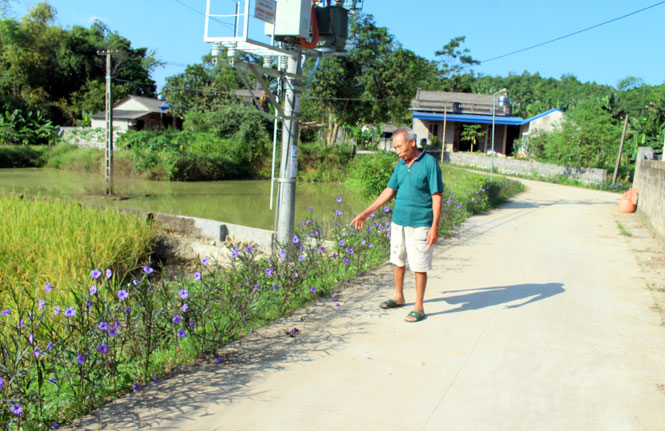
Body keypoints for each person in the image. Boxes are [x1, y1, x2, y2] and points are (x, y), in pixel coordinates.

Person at [350, 126, 443, 322]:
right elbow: (389, 191)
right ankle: (399, 296)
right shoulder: (400, 165)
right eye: (395, 148)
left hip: (420, 224)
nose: (398, 152)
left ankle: (419, 306)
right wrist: (366, 213)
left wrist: (434, 226)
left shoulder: (429, 164)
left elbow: (436, 196)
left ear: (412, 142)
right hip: (398, 222)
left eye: (400, 147)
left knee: (419, 264)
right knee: (397, 259)